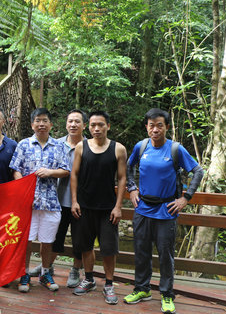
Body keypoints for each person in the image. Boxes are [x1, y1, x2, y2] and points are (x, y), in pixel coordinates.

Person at [123, 108, 204, 314]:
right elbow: (128, 166)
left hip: (166, 210)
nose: (155, 130)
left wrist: (185, 198)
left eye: (159, 125)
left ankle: (167, 294)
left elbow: (198, 171)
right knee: (141, 252)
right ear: (146, 127)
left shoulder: (175, 149)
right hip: (142, 208)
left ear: (167, 127)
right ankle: (142, 289)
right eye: (151, 125)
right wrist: (132, 188)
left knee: (166, 255)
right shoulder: (141, 147)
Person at [10, 108, 70, 293]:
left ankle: (45, 273)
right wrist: (22, 187)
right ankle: (24, 273)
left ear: (51, 124)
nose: (41, 124)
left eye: (45, 121)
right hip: (28, 203)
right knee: (26, 240)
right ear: (32, 124)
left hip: (50, 202)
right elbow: (15, 169)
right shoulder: (24, 144)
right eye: (38, 121)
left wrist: (50, 172)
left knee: (47, 240)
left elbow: (65, 170)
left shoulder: (59, 146)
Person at [70, 110, 127, 305]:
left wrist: (118, 206)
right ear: (88, 127)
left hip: (107, 207)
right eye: (93, 125)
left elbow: (122, 178)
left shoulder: (118, 149)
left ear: (108, 126)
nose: (96, 128)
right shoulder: (82, 146)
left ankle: (109, 284)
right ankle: (89, 279)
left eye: (100, 125)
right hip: (84, 205)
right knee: (85, 245)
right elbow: (74, 174)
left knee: (108, 248)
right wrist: (74, 201)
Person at [29, 109, 86, 288]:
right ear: (65, 124)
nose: (73, 125)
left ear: (84, 125)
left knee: (79, 238)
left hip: (80, 200)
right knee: (54, 237)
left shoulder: (89, 146)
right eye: (70, 121)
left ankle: (75, 269)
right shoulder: (56, 143)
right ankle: (47, 267)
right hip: (56, 200)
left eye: (77, 121)